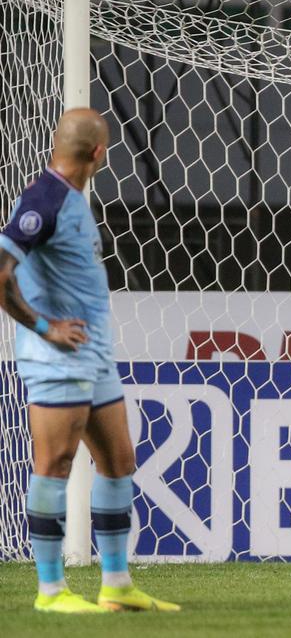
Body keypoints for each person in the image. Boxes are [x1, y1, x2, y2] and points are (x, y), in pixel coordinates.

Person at [0, 109, 179, 613]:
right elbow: (0, 270)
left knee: (119, 460)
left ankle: (117, 585)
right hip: (57, 358)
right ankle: (51, 591)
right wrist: (43, 327)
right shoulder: (43, 199)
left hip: (94, 355)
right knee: (54, 464)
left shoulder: (70, 198)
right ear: (99, 153)